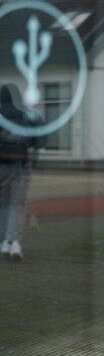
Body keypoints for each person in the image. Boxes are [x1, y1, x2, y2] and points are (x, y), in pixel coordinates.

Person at [0, 84, 33, 261]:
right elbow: (35, 137)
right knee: (16, 204)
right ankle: (14, 244)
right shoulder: (23, 115)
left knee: (2, 205)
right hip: (17, 164)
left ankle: (3, 242)